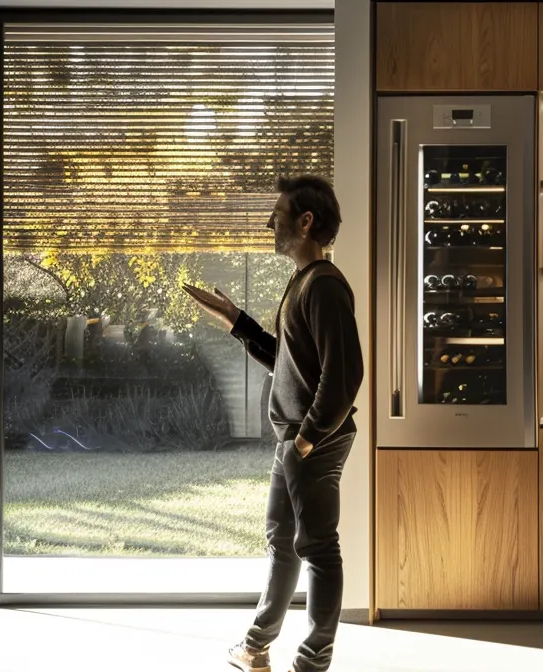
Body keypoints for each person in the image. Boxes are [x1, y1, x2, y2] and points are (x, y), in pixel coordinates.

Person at [183, 175, 362, 672]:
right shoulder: (305, 282)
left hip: (312, 442)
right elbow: (292, 361)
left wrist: (305, 440)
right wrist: (238, 322)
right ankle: (257, 646)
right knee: (282, 543)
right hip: (296, 440)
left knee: (318, 549)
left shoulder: (325, 286)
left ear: (306, 222)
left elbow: (345, 376)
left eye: (278, 214)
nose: (269, 223)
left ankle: (312, 661)